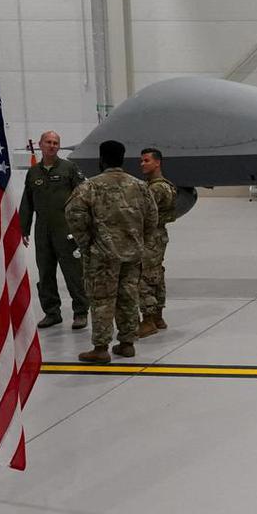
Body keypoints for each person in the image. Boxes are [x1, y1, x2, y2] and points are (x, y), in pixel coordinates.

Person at [65, 140, 157, 364]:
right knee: (128, 297)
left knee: (102, 300)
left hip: (103, 255)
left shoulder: (91, 186)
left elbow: (73, 214)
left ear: (102, 159)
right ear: (123, 159)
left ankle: (100, 347)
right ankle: (127, 344)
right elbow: (153, 217)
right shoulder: (139, 186)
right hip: (133, 254)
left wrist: (87, 243)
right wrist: (139, 241)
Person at [19, 130, 89, 329]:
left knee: (74, 273)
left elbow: (84, 196)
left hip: (66, 231)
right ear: (40, 145)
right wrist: (23, 228)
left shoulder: (69, 168)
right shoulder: (33, 173)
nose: (52, 145)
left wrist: (83, 226)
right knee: (45, 273)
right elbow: (27, 202)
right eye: (48, 142)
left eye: (55, 142)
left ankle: (80, 312)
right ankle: (52, 312)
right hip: (43, 232)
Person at [136, 147, 178, 338]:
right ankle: (158, 317)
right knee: (156, 274)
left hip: (150, 237)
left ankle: (148, 320)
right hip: (158, 235)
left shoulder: (156, 188)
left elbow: (141, 212)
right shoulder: (163, 185)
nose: (142, 164)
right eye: (142, 161)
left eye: (146, 160)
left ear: (157, 162)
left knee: (144, 277)